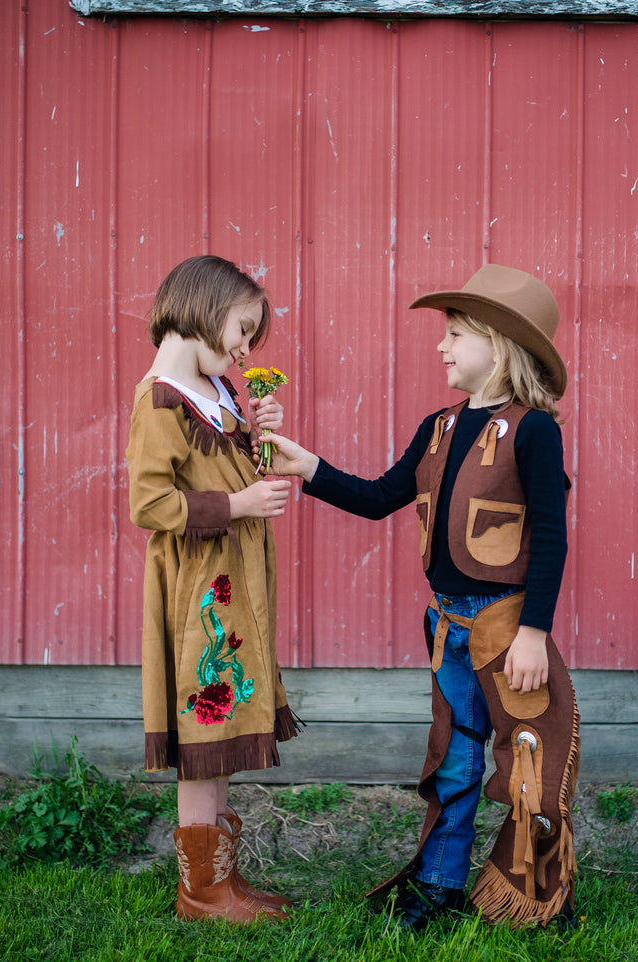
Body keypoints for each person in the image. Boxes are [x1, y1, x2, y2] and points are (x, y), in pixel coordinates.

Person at [262, 264, 580, 929]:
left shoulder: (534, 431)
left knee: (529, 765)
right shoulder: (437, 427)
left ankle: (535, 898)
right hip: (447, 629)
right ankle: (436, 888)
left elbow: (549, 537)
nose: (442, 347)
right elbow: (381, 498)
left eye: (456, 335)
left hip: (505, 629)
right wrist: (307, 467)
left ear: (498, 345)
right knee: (454, 759)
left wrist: (532, 633)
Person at [126, 254, 302, 923]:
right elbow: (149, 503)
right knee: (206, 718)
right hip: (200, 589)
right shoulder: (161, 399)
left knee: (220, 717)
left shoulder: (213, 390)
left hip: (231, 588)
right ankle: (202, 892)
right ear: (201, 307)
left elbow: (228, 471)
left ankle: (220, 882)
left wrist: (260, 432)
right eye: (241, 327)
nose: (245, 347)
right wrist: (236, 507)